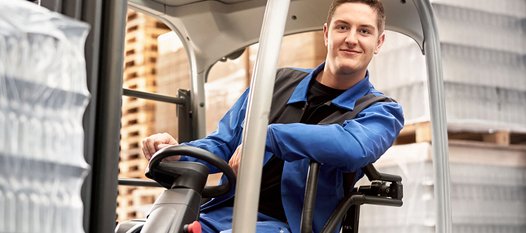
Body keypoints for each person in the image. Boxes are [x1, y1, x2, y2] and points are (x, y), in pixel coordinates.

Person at [141, 0, 403, 232]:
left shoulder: (382, 111)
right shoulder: (275, 82)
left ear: (378, 42)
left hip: (287, 225)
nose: (351, 39)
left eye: (364, 31)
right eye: (342, 27)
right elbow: (224, 142)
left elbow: (351, 147)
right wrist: (178, 151)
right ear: (327, 33)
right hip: (220, 214)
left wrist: (265, 136)